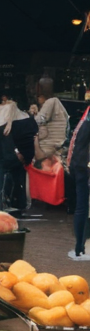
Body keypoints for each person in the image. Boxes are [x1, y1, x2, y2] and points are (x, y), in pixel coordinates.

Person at [69, 109, 90, 260]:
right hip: (86, 166)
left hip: (79, 165)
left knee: (81, 207)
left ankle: (79, 247)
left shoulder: (84, 121)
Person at [33, 78, 69, 161]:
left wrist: (32, 115)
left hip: (48, 146)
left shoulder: (50, 102)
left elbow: (38, 121)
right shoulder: (56, 102)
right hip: (56, 145)